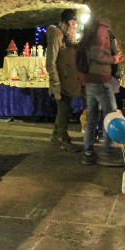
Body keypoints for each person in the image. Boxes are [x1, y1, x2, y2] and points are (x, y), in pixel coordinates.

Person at [80, 18, 123, 165]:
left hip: (90, 79)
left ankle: (88, 153)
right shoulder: (101, 29)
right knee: (111, 116)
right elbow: (98, 54)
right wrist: (114, 59)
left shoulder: (90, 29)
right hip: (100, 80)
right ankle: (106, 154)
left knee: (92, 117)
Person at [45, 9, 81, 152]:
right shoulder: (56, 34)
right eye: (72, 22)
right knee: (64, 110)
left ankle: (56, 136)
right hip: (60, 82)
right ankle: (62, 139)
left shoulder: (66, 36)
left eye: (75, 22)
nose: (74, 25)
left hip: (67, 81)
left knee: (64, 109)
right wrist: (56, 83)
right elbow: (51, 61)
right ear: (65, 22)